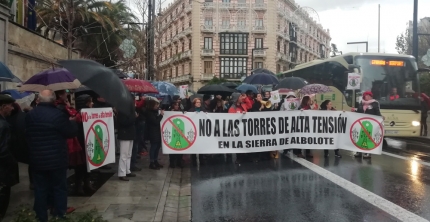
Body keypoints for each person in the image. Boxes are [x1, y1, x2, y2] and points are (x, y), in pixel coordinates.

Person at [25, 90, 78, 222]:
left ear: (39, 100)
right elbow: (71, 132)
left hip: (37, 159)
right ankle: (59, 215)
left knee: (40, 189)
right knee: (59, 188)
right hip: (57, 159)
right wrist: (71, 122)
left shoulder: (31, 115)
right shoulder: (58, 115)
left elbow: (26, 133)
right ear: (53, 100)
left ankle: (41, 217)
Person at [0, 94, 19, 221]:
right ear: (3, 107)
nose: (12, 109)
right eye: (10, 106)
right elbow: (3, 150)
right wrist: (13, 162)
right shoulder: (3, 125)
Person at [74, 95, 96, 194]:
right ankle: (79, 185)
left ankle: (86, 183)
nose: (92, 103)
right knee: (80, 166)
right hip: (81, 143)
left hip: (87, 142)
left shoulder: (89, 113)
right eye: (90, 101)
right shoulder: (79, 115)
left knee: (87, 165)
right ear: (86, 103)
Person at [352, 91, 382, 159]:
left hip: (370, 124)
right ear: (364, 96)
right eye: (366, 96)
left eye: (369, 96)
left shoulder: (375, 103)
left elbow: (377, 113)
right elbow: (359, 112)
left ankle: (368, 152)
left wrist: (381, 117)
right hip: (361, 124)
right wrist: (354, 111)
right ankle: (359, 151)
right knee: (360, 137)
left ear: (371, 96)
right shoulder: (361, 103)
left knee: (369, 138)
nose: (367, 97)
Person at [117, 100, 137, 181]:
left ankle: (127, 170)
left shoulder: (130, 112)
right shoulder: (122, 112)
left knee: (129, 154)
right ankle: (122, 173)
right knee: (123, 155)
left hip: (130, 134)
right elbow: (124, 122)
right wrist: (133, 117)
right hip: (124, 134)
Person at [228, 93, 247, 164]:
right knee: (238, 144)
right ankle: (238, 158)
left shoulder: (243, 105)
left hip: (243, 128)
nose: (241, 98)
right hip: (237, 129)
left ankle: (243, 156)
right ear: (237, 98)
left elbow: (249, 106)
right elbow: (232, 118)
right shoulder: (232, 108)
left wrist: (246, 98)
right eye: (240, 97)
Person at [145, 99, 164, 170]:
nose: (157, 106)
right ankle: (152, 162)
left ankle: (155, 160)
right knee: (153, 147)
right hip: (152, 132)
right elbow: (155, 122)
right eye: (156, 105)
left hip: (157, 132)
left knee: (157, 147)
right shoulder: (149, 113)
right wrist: (161, 116)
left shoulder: (155, 112)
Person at [169, 102, 184, 168]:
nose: (177, 106)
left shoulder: (180, 112)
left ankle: (179, 161)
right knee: (172, 148)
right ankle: (172, 162)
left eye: (178, 105)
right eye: (176, 105)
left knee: (180, 148)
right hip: (173, 132)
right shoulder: (169, 112)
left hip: (180, 132)